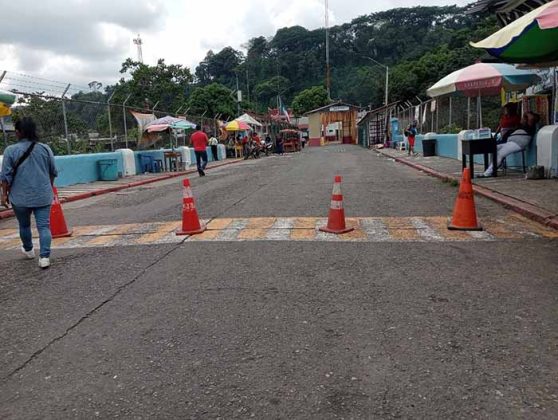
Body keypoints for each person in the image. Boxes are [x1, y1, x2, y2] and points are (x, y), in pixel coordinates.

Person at [1, 117, 58, 269]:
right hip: (42, 195)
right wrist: (48, 187)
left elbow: (5, 176)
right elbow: (53, 171)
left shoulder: (10, 150)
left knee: (24, 225)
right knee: (44, 227)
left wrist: (4, 195)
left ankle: (29, 250)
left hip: (20, 197)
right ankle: (44, 257)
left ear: (19, 132)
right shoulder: (45, 149)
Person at [482, 111, 540, 177]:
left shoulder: (530, 126)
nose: (522, 119)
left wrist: (527, 113)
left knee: (501, 153)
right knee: (493, 148)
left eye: (524, 118)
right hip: (511, 142)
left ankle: (487, 173)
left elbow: (531, 118)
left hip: (518, 143)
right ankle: (493, 167)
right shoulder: (521, 125)